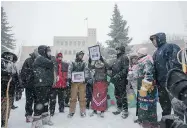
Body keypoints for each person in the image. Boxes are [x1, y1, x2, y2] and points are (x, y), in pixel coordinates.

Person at [150, 33, 182, 118]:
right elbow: (155, 68)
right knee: (164, 103)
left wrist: (172, 79)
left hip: (171, 82)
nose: (153, 42)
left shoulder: (170, 47)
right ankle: (167, 119)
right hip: (161, 84)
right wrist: (154, 79)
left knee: (176, 104)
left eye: (154, 40)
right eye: (152, 41)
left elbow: (175, 64)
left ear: (159, 38)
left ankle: (178, 121)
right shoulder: (156, 52)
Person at [31, 45, 54, 128]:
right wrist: (52, 58)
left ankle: (45, 118)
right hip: (40, 85)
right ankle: (36, 122)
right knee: (39, 102)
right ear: (43, 51)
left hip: (46, 84)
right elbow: (51, 63)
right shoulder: (40, 58)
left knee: (45, 102)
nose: (49, 53)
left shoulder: (44, 59)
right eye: (48, 51)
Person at [135, 48, 158, 128]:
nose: (137, 55)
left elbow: (148, 76)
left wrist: (144, 89)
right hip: (142, 88)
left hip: (147, 89)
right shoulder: (142, 61)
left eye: (138, 53)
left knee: (148, 106)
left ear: (142, 54)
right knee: (143, 105)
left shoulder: (147, 61)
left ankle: (151, 124)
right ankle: (143, 120)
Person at [67, 51, 89, 118]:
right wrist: (69, 78)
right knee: (73, 97)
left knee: (82, 97)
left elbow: (86, 70)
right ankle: (71, 111)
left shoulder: (84, 63)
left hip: (82, 82)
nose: (81, 56)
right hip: (74, 83)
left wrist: (86, 78)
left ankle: (82, 111)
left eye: (82, 55)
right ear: (77, 55)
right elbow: (69, 70)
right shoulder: (72, 62)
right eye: (80, 55)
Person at [110, 46, 129, 119]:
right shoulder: (117, 59)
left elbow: (125, 69)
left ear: (121, 50)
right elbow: (110, 67)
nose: (117, 51)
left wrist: (118, 75)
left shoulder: (124, 57)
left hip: (122, 80)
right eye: (116, 49)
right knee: (117, 94)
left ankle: (125, 110)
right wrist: (102, 60)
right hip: (116, 81)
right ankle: (119, 108)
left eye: (118, 49)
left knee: (123, 95)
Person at [21, 49, 38, 123]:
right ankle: (28, 115)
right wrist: (24, 82)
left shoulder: (41, 61)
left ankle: (37, 115)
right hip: (29, 85)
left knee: (38, 101)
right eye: (36, 52)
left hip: (38, 85)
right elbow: (23, 72)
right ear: (33, 52)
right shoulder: (28, 60)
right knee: (29, 101)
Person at [1, 52, 18, 127]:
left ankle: (4, 121)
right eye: (8, 56)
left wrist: (19, 88)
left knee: (7, 107)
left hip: (10, 90)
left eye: (11, 57)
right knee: (2, 107)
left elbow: (17, 78)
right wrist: (6, 75)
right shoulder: (1, 62)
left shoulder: (13, 66)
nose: (9, 58)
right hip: (2, 90)